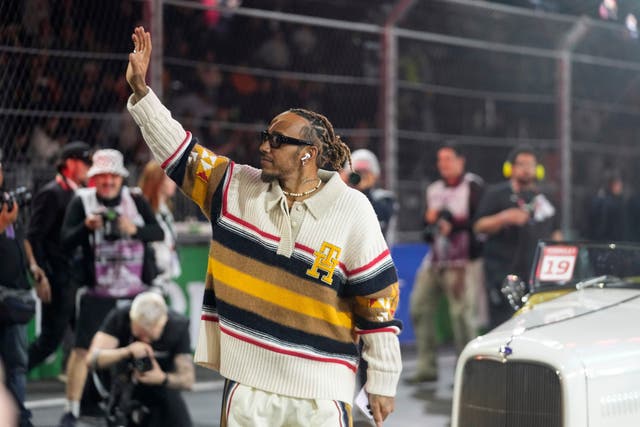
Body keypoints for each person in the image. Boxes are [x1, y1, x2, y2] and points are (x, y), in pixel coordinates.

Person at [126, 27, 402, 427]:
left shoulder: (352, 210)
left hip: (322, 393)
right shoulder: (234, 186)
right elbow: (179, 152)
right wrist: (141, 93)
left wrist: (384, 379)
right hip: (248, 385)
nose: (263, 147)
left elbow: (377, 301)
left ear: (309, 154)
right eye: (265, 137)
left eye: (277, 140)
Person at [58, 149, 164, 427]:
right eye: (102, 177)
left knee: (139, 348)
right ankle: (71, 409)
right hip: (97, 292)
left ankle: (140, 403)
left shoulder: (136, 200)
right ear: (94, 179)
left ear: (120, 178)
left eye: (112, 177)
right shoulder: (82, 201)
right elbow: (65, 241)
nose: (108, 182)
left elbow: (158, 232)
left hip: (133, 291)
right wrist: (86, 227)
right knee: (82, 351)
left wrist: (134, 230)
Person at [407, 143, 485, 383]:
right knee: (418, 307)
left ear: (461, 161)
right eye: (440, 160)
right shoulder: (434, 190)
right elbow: (427, 230)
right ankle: (427, 366)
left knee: (462, 317)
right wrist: (428, 220)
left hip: (463, 261)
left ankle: (468, 374)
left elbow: (480, 222)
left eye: (449, 159)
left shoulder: (472, 186)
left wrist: (455, 225)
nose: (444, 164)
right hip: (436, 259)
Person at [473, 145, 562, 329]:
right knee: (503, 326)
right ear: (510, 168)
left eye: (531, 164)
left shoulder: (546, 197)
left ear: (538, 169)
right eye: (521, 164)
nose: (526, 169)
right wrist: (504, 217)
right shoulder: (496, 194)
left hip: (538, 276)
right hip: (502, 275)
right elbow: (478, 226)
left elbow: (556, 232)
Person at [27, 141, 92, 371]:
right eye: (85, 162)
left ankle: (87, 392)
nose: (88, 167)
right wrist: (42, 274)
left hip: (75, 276)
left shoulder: (79, 194)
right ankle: (10, 377)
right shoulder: (51, 194)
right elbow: (33, 237)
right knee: (49, 341)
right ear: (70, 163)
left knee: (86, 337)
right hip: (59, 278)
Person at [86, 291, 194, 427]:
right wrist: (127, 351)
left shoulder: (178, 326)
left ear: (163, 322)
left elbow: (188, 380)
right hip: (123, 387)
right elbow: (91, 359)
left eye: (148, 336)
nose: (144, 341)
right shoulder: (121, 316)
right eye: (139, 334)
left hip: (161, 389)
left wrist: (161, 377)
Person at [0, 161, 51, 427]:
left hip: (15, 296)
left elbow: (22, 238)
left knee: (17, 365)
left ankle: (20, 417)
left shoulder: (6, 202)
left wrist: (34, 268)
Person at [137, 160, 181, 291]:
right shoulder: (143, 211)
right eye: (170, 179)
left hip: (165, 278)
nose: (175, 183)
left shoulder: (165, 210)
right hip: (150, 280)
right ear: (158, 182)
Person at [341, 149, 396, 239]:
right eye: (357, 172)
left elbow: (378, 218)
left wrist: (365, 190)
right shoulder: (342, 198)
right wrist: (339, 184)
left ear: (375, 175)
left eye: (366, 173)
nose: (361, 177)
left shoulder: (385, 198)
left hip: (376, 251)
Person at [586, 169, 627, 242]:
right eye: (617, 185)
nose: (619, 187)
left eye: (620, 185)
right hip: (604, 240)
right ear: (611, 185)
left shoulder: (621, 201)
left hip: (617, 240)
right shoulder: (603, 202)